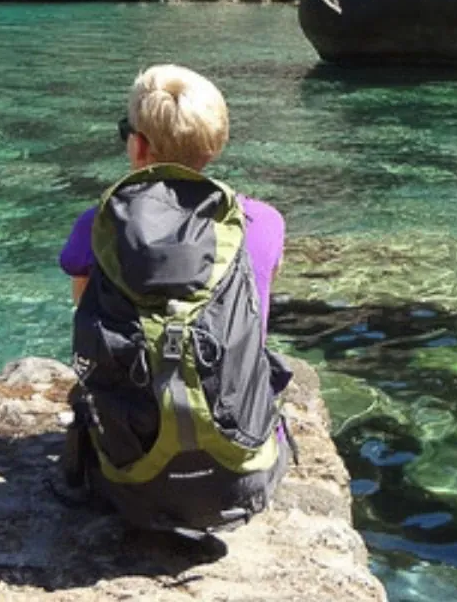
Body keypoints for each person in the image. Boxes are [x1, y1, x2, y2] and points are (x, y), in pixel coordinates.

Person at [57, 65, 291, 537]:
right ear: (216, 144)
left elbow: (84, 319)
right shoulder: (264, 222)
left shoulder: (98, 225)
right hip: (241, 479)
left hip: (131, 480)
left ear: (139, 146)